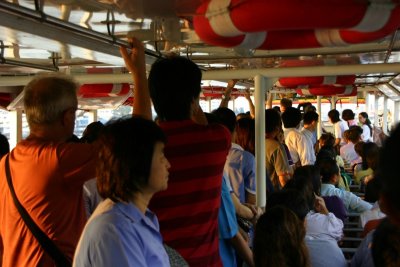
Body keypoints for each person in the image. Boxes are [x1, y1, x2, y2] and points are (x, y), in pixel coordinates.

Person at [121, 40, 231, 266]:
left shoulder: (146, 148)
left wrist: (139, 74)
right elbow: (199, 120)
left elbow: (138, 131)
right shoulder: (218, 140)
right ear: (194, 99)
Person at [0, 73, 97, 266]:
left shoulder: (5, 164)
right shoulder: (61, 159)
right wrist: (138, 76)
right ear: (67, 116)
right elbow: (136, 146)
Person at [73, 117, 171, 267]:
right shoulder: (114, 230)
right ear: (138, 161)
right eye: (161, 155)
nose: (168, 164)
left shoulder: (140, 217)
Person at [212, 107, 256, 204]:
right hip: (239, 216)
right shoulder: (245, 158)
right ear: (236, 127)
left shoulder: (206, 156)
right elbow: (252, 201)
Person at [264, 108, 292, 191]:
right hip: (273, 194)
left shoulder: (254, 142)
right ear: (277, 127)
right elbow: (283, 179)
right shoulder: (276, 146)